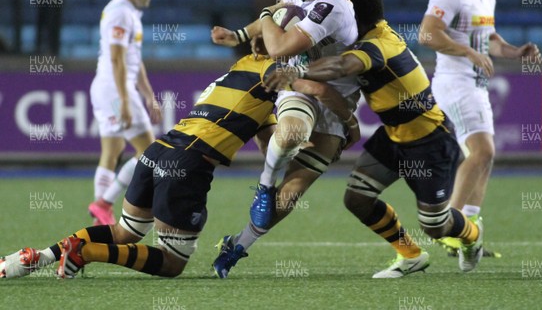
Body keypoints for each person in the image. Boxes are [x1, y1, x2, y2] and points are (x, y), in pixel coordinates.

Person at [0, 54, 357, 279]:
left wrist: (286, 142)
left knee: (125, 233)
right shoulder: (276, 75)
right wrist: (345, 126)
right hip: (188, 163)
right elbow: (317, 93)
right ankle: (87, 253)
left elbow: (267, 143)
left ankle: (38, 257)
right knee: (172, 263)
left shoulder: (232, 74)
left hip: (157, 150)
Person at [264, 0, 484, 277]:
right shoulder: (367, 40)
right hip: (393, 136)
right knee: (357, 198)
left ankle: (472, 235)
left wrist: (298, 73)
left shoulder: (380, 43)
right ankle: (411, 255)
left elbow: (342, 66)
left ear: (355, 17)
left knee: (435, 225)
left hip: (429, 140)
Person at [210, 0, 360, 278]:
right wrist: (239, 34)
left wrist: (264, 18)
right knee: (291, 133)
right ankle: (264, 184)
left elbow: (276, 38)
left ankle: (238, 244)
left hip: (339, 93)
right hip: (301, 78)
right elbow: (283, 7)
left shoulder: (332, 6)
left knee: (294, 188)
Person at [418, 0, 540, 255]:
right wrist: (468, 54)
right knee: (482, 151)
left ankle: (467, 236)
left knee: (486, 158)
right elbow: (427, 34)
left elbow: (489, 39)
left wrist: (515, 52)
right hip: (455, 83)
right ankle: (447, 226)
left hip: (477, 85)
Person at [88, 0, 162, 226]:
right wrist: (126, 102)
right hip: (114, 89)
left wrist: (149, 95)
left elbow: (133, 59)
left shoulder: (128, 11)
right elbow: (118, 60)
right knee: (149, 152)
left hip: (108, 87)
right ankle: (104, 203)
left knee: (113, 150)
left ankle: (100, 222)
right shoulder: (120, 13)